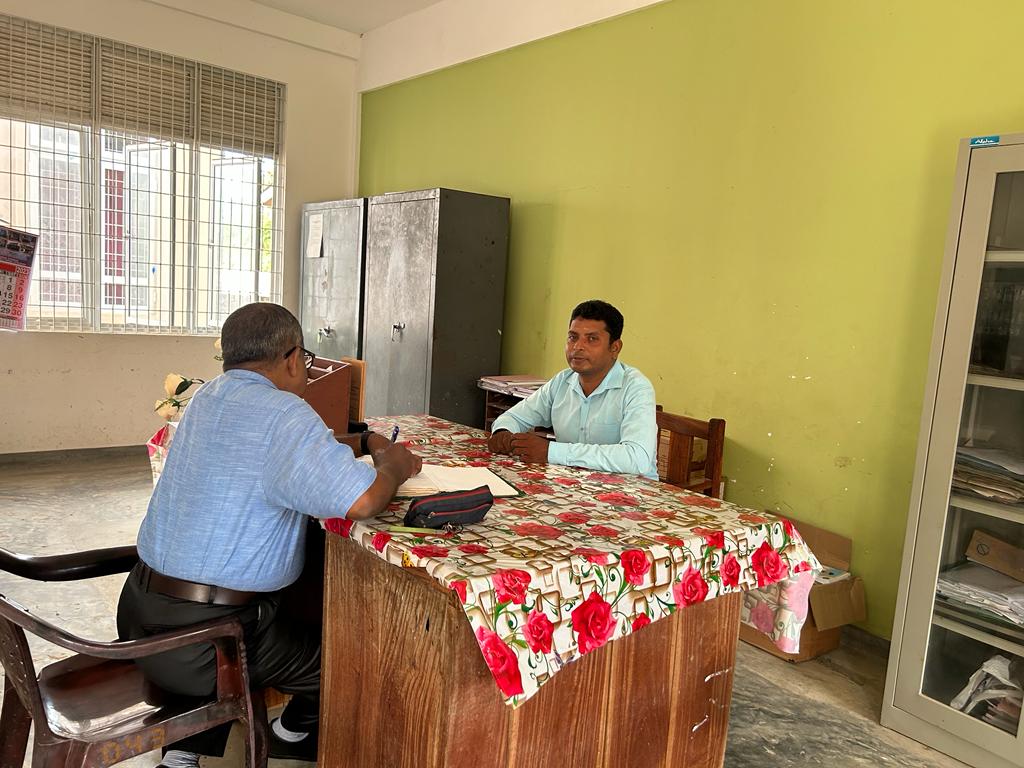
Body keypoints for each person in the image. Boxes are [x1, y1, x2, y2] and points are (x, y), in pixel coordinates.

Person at [117, 302, 421, 768]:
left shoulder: (209, 397)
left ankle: (182, 753)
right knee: (348, 660)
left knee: (287, 601)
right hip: (207, 642)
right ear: (293, 358)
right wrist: (393, 466)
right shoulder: (284, 413)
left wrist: (361, 442)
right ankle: (292, 732)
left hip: (141, 614)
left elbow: (283, 453)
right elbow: (363, 502)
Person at [487, 299, 658, 479]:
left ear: (615, 348)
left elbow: (637, 458)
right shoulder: (562, 381)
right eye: (573, 337)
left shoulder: (636, 387)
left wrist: (551, 451)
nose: (577, 347)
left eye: (592, 339)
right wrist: (503, 432)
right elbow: (513, 417)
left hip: (631, 491)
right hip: (573, 485)